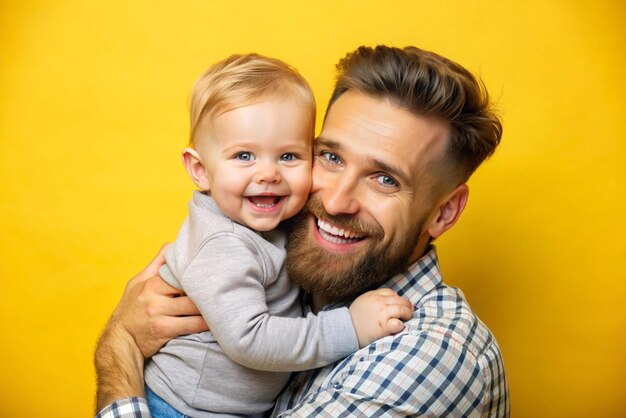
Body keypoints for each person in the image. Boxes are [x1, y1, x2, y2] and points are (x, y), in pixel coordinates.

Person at [95, 45, 510, 417]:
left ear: (444, 212)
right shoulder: (289, 269)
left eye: (385, 179)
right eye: (330, 156)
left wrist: (121, 346)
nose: (334, 202)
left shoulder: (430, 357)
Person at [138, 53, 413, 417]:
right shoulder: (222, 244)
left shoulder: (276, 217)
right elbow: (250, 340)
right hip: (183, 408)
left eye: (288, 156)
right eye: (244, 156)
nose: (268, 174)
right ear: (201, 170)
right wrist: (351, 327)